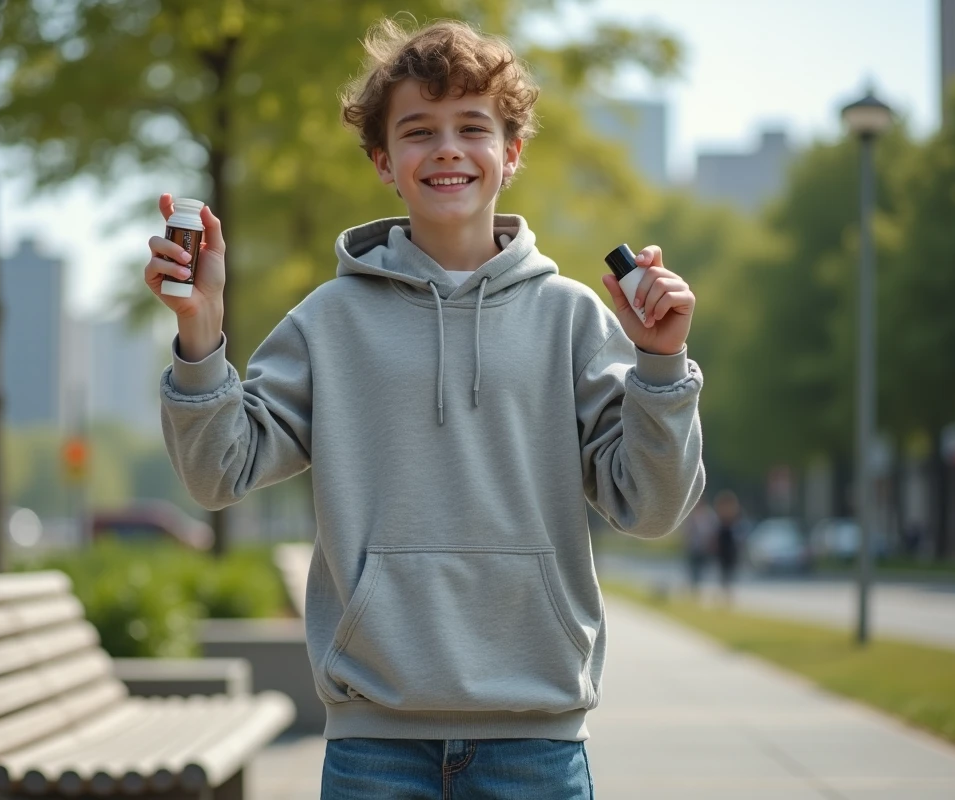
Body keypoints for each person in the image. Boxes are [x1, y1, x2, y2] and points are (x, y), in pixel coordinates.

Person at [146, 18, 704, 799]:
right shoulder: (327, 322)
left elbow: (650, 508)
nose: (447, 148)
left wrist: (661, 363)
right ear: (383, 161)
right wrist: (202, 332)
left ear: (512, 153)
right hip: (374, 745)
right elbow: (217, 473)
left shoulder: (574, 319)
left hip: (536, 742)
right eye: (418, 131)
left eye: (472, 127)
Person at [683, 496, 718, 597]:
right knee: (693, 570)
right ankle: (693, 589)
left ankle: (699, 589)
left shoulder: (709, 515)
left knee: (703, 570)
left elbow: (713, 531)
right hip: (693, 548)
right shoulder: (691, 515)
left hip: (704, 548)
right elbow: (686, 531)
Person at [713, 490, 743, 607]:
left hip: (731, 552)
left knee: (729, 577)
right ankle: (724, 597)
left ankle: (727, 598)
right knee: (723, 577)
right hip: (722, 553)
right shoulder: (720, 523)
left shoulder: (734, 523)